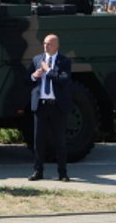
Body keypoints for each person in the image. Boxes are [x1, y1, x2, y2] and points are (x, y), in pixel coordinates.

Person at [29, 34, 71, 182]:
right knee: (38, 141)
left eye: (50, 44)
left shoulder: (64, 61)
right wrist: (34, 76)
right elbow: (27, 80)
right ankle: (37, 171)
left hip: (57, 106)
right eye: (45, 43)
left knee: (59, 141)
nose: (46, 46)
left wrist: (48, 71)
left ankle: (62, 173)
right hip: (41, 105)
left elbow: (64, 80)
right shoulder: (36, 59)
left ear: (57, 45)